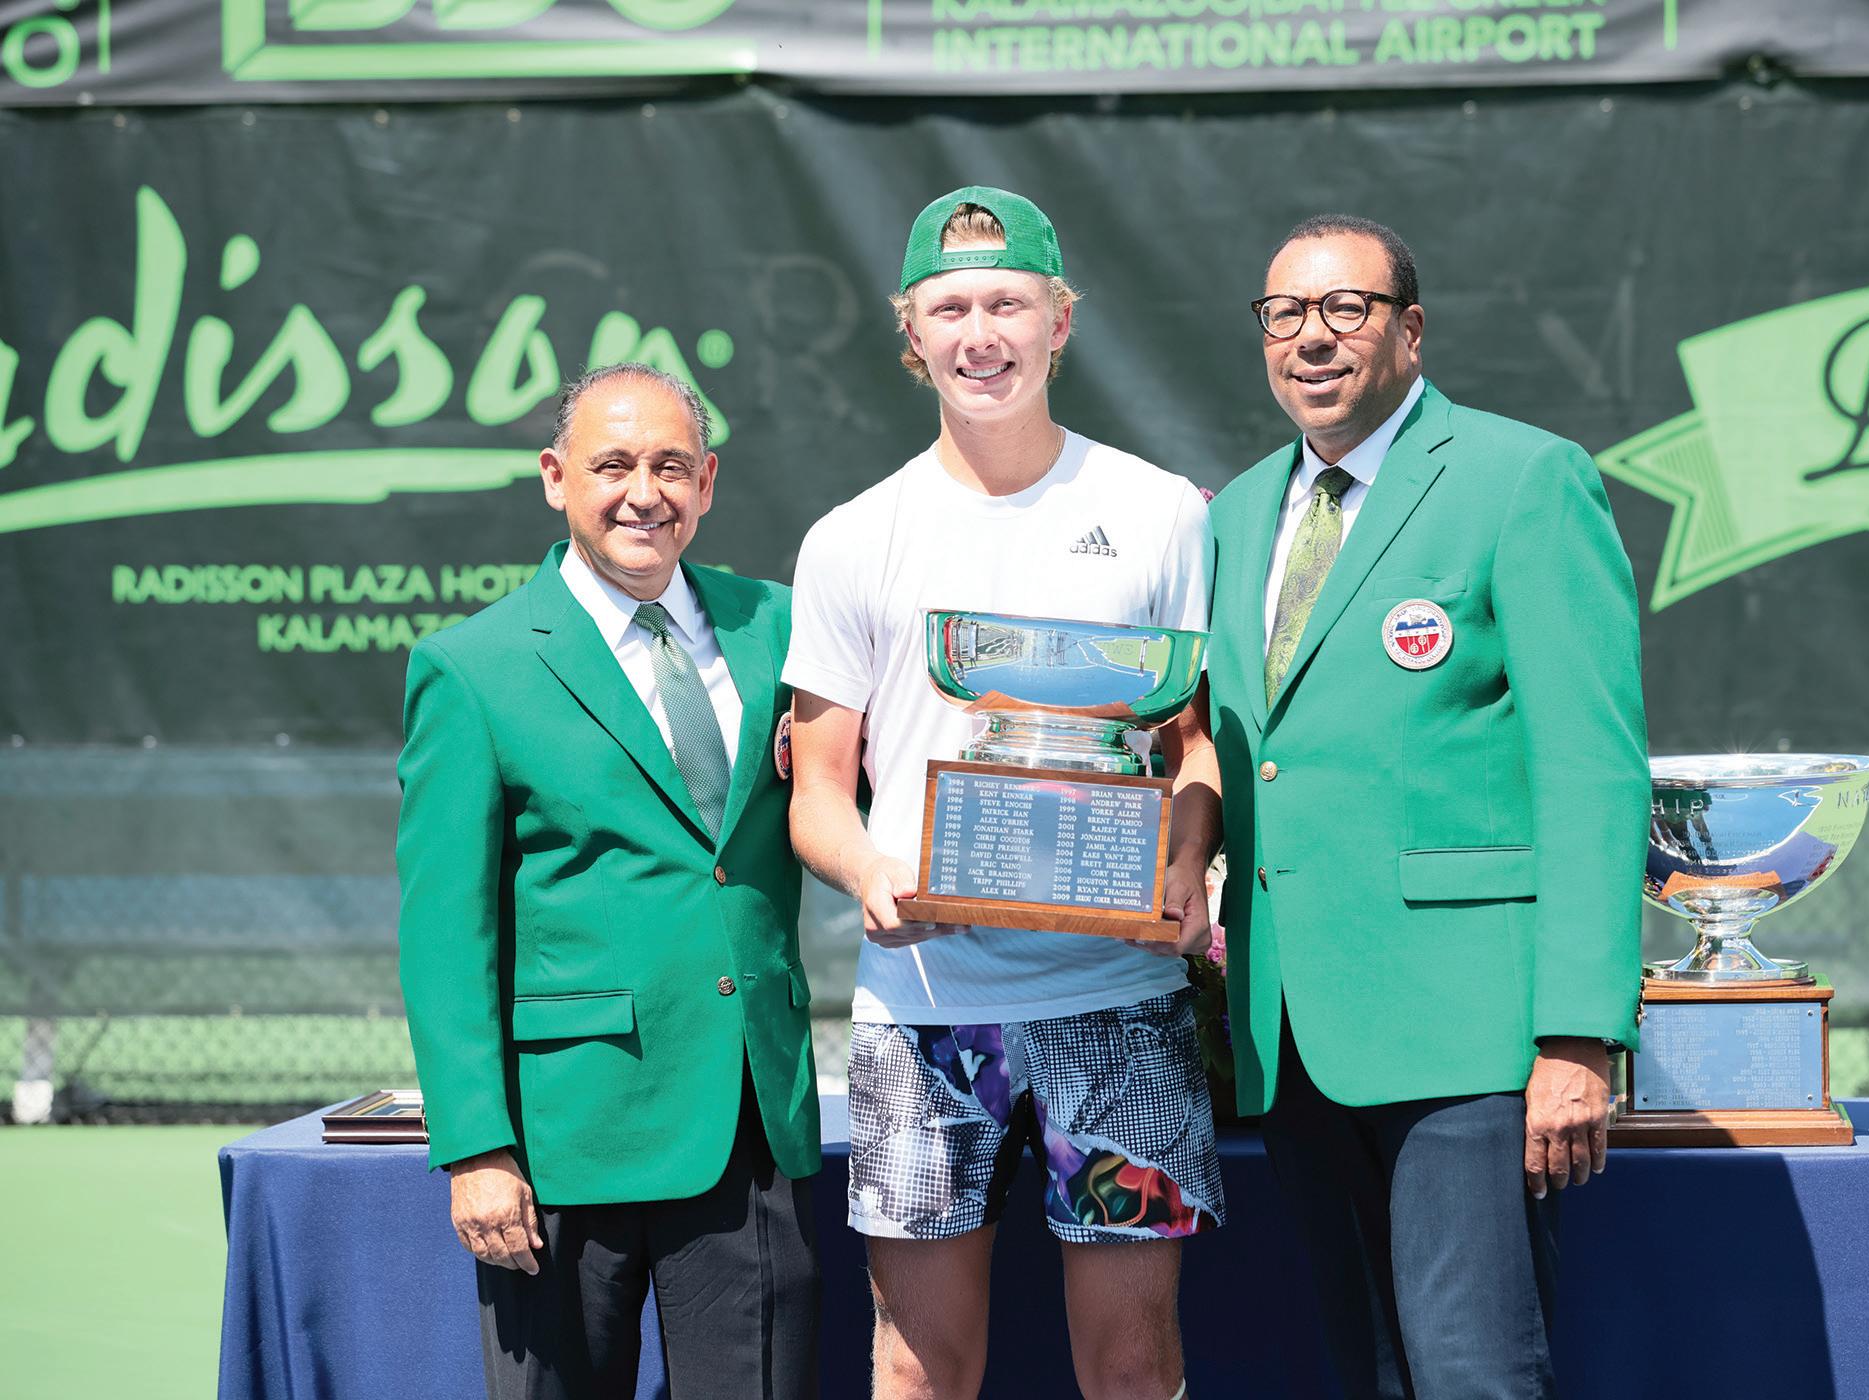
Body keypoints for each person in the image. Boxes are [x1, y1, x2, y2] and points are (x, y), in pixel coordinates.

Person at [783, 186, 1224, 1400]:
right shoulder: (852, 537)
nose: (981, 334)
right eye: (951, 308)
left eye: (1009, 304)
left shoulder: (1158, 511)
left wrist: (1185, 862)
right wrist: (870, 869)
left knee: (1133, 1363)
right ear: (910, 331)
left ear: (1060, 321)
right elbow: (818, 791)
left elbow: (1193, 742)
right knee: (919, 1365)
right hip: (928, 1007)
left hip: (1119, 994)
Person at [1204, 215, 1648, 1398]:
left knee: (1473, 1373)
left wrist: (1577, 1031)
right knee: (1371, 1374)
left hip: (1467, 1035)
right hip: (1290, 1035)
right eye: (1284, 313)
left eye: (1343, 308)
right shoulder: (1236, 513)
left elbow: (1592, 768)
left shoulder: (1523, 478)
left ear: (1411, 328)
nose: (1311, 337)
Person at [395, 363, 821, 1400]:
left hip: (748, 1124)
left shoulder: (784, 628)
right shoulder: (474, 666)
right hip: (564, 1142)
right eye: (613, 465)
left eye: (671, 466)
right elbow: (446, 933)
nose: (645, 493)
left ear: (707, 481)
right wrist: (477, 1148)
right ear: (556, 477)